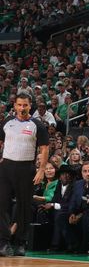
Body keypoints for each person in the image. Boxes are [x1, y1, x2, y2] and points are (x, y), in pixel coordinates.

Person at [0, 92, 50, 256]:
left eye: (25, 105)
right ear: (14, 105)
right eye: (19, 105)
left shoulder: (37, 124)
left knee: (23, 206)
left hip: (26, 168)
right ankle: (4, 242)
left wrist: (41, 169)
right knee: (2, 205)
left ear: (30, 106)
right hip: (6, 167)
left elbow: (44, 148)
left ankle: (20, 242)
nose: (22, 108)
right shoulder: (7, 122)